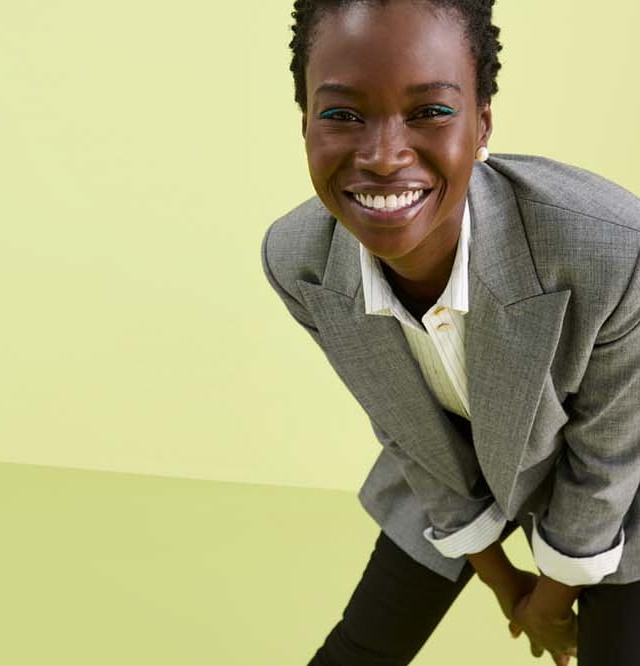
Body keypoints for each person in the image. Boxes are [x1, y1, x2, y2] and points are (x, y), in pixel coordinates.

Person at [260, 1, 640, 664]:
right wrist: (501, 579)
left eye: (430, 111)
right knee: (359, 649)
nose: (381, 157)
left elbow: (609, 456)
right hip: (453, 464)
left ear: (482, 120)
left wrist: (550, 600)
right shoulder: (300, 261)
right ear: (304, 126)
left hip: (626, 482)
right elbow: (408, 431)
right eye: (342, 114)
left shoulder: (610, 250)